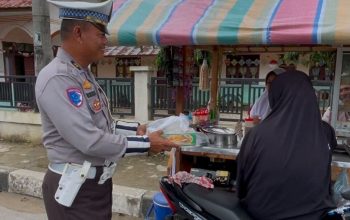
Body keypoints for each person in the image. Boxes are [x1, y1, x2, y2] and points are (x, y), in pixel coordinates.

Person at [35, 1, 176, 219]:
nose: (105, 40)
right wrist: (147, 144)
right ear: (79, 33)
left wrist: (137, 129)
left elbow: (103, 126)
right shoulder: (59, 78)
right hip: (74, 192)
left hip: (93, 186)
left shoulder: (81, 74)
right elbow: (89, 139)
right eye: (101, 34)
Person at [237, 71, 337, 220]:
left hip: (261, 215)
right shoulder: (326, 132)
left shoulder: (256, 134)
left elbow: (242, 182)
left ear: (276, 96)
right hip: (314, 215)